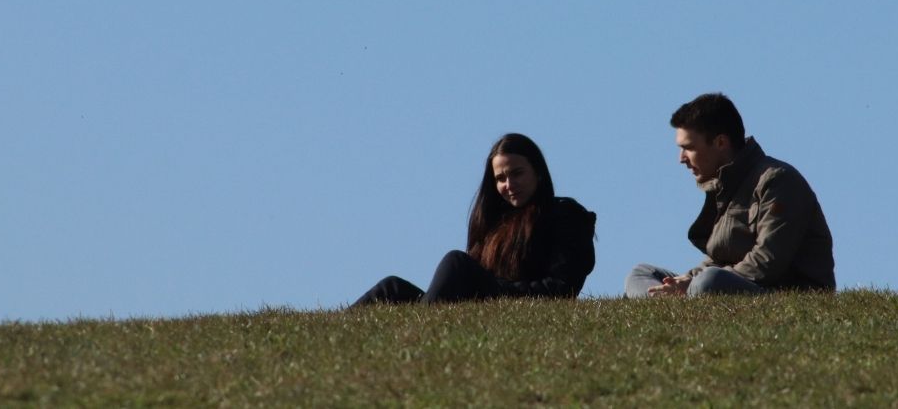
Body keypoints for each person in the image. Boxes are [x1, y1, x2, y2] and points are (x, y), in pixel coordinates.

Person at [625, 93, 834, 298]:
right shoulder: (725, 187)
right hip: (730, 283)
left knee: (708, 282)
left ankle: (676, 302)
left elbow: (768, 262)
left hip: (783, 293)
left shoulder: (778, 181)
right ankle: (667, 301)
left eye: (689, 148)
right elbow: (720, 258)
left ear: (720, 143)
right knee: (641, 274)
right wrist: (684, 281)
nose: (681, 159)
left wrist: (692, 284)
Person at [351, 133, 596, 306]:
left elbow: (562, 288)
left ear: (538, 173)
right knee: (391, 288)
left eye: (517, 174)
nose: (509, 185)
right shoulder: (495, 223)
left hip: (512, 300)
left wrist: (493, 289)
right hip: (483, 297)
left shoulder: (565, 214)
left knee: (456, 262)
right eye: (501, 178)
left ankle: (421, 330)